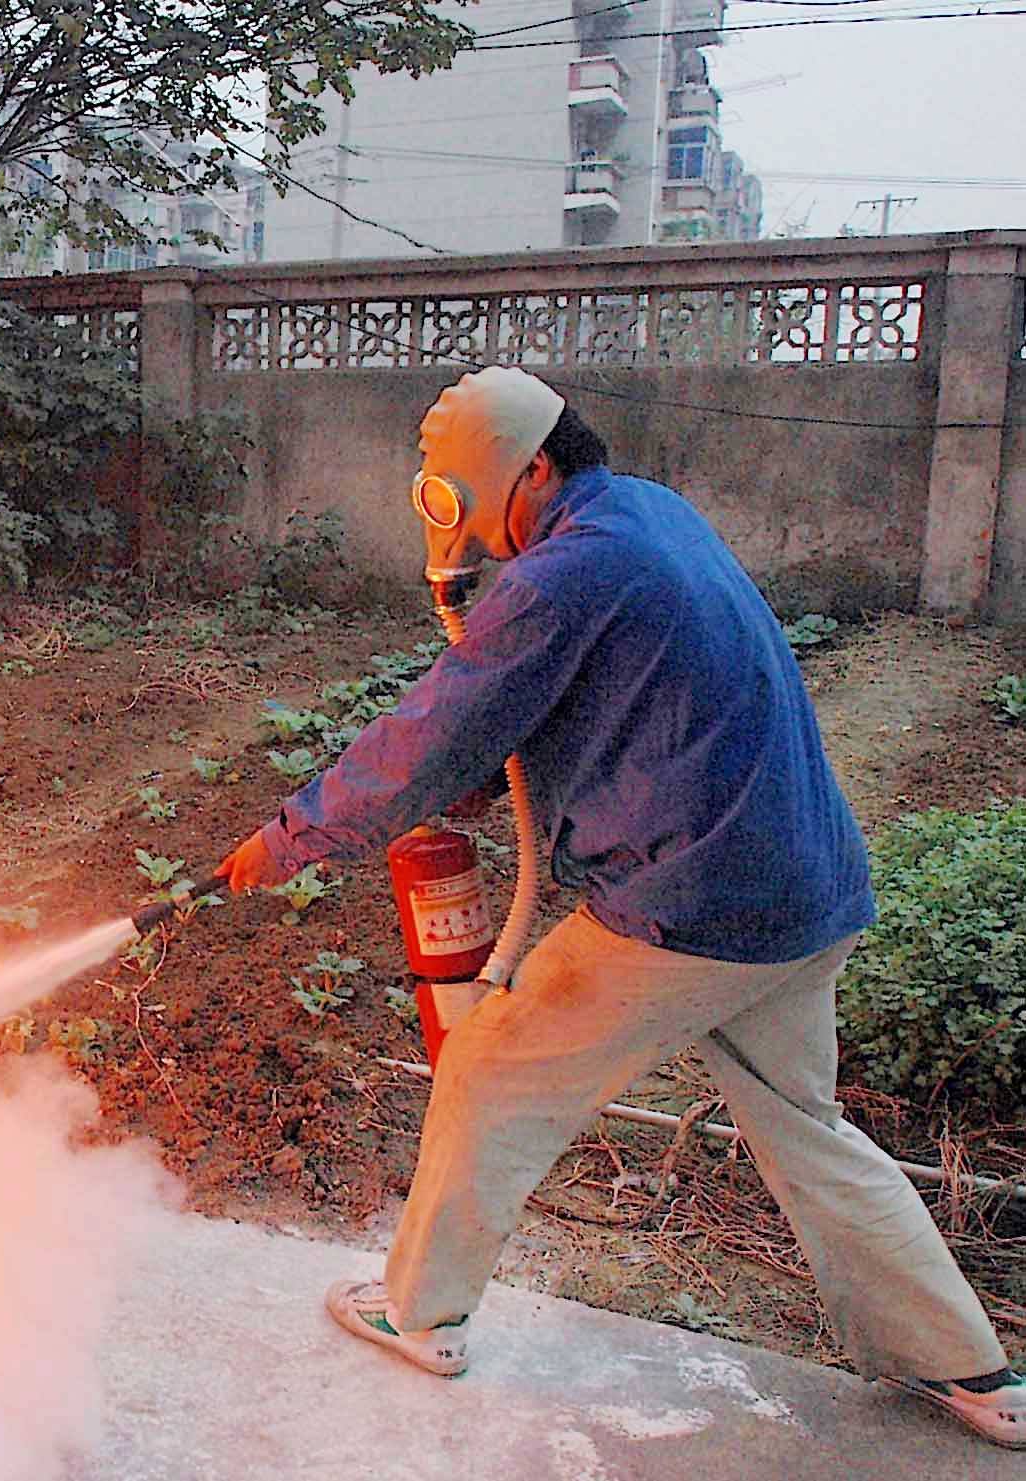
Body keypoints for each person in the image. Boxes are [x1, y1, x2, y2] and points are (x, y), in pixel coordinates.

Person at [209, 366, 1022, 1449]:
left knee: (490, 1071)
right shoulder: (647, 513)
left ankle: (419, 1311)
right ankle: (975, 1375)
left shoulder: (567, 576)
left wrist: (288, 838)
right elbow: (558, 703)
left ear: (533, 469)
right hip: (801, 889)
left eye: (462, 496)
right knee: (807, 1133)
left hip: (688, 902)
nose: (458, 527)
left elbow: (430, 731)